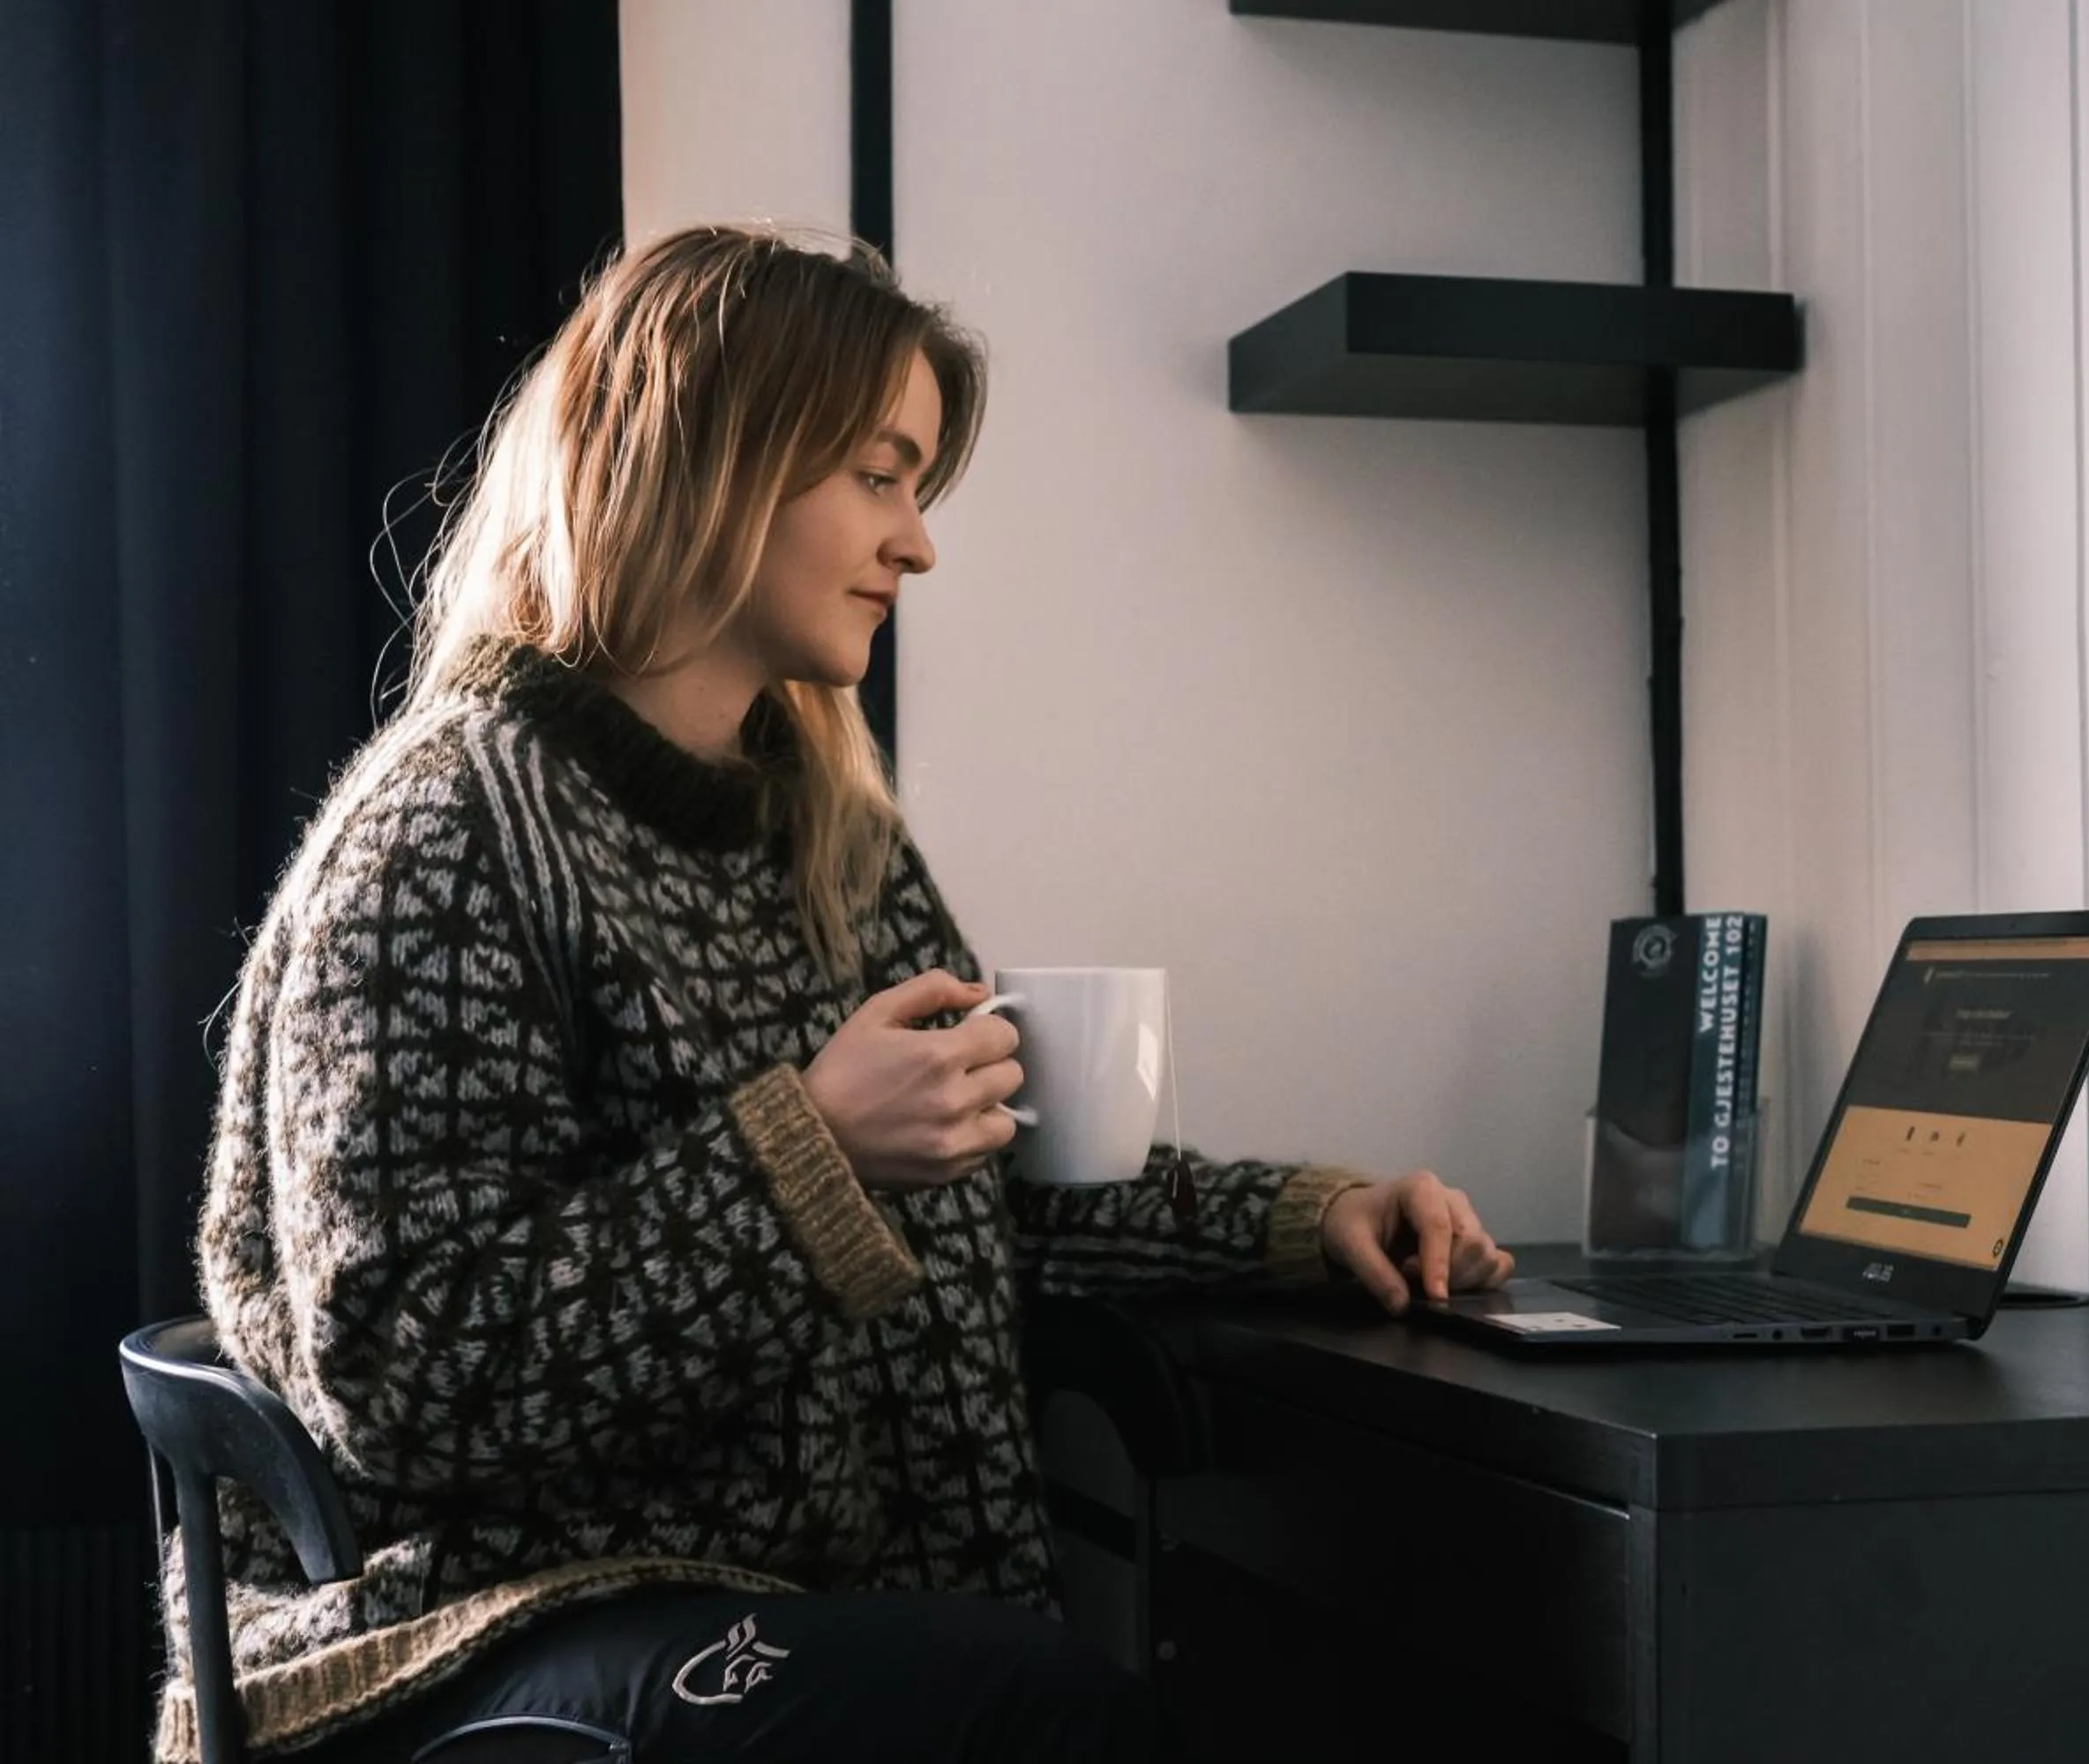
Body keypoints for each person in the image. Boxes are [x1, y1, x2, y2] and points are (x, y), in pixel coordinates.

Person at [172, 223, 1517, 1764]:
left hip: (774, 1602)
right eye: (879, 476)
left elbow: (991, 1183)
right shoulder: (443, 831)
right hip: (479, 1629)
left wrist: (1302, 1219)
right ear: (712, 456)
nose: (919, 542)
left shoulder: (832, 843)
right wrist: (800, 1151)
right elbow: (407, 1374)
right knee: (1045, 1713)